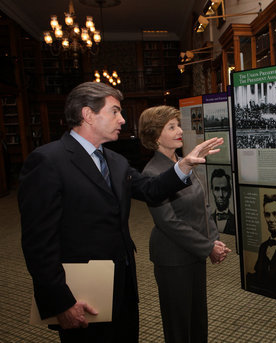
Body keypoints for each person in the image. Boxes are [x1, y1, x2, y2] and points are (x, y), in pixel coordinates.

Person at [18, 82, 223, 343]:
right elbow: (38, 243)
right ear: (88, 114)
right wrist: (60, 301)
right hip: (80, 289)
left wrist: (182, 166)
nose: (123, 120)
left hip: (123, 282)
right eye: (115, 112)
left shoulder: (115, 161)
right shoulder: (48, 161)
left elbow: (150, 189)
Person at [138, 105, 231, 343]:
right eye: (172, 127)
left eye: (178, 125)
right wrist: (207, 247)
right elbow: (168, 222)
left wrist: (214, 241)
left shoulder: (184, 162)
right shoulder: (152, 173)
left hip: (194, 254)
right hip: (173, 260)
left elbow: (203, 203)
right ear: (155, 135)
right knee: (179, 326)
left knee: (198, 321)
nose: (180, 130)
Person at [210, 168, 236, 235]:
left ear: (230, 192)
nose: (221, 195)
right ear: (212, 191)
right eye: (217, 189)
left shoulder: (235, 220)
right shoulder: (208, 219)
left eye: (224, 189)